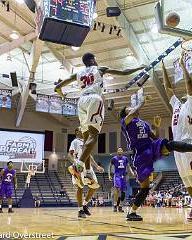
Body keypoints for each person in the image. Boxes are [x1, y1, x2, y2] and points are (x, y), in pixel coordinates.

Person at [54, 53, 144, 187]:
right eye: (95, 59)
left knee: (86, 140)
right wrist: (139, 68)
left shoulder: (78, 74)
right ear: (92, 60)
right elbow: (124, 73)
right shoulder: (100, 69)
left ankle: (88, 172)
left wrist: (61, 93)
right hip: (94, 99)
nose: (96, 61)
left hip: (81, 102)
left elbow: (57, 87)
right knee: (94, 136)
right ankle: (78, 166)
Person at [119, 95, 192, 221]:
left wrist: (156, 126)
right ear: (125, 114)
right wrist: (142, 102)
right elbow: (133, 112)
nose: (132, 109)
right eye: (129, 109)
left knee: (169, 144)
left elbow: (155, 138)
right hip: (140, 153)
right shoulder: (125, 122)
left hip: (150, 146)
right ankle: (132, 212)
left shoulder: (143, 123)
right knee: (145, 188)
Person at [162, 57, 192, 221]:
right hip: (178, 148)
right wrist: (163, 68)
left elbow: (189, 82)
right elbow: (167, 88)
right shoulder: (176, 105)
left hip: (190, 145)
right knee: (185, 179)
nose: (185, 94)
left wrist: (183, 66)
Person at [67, 128, 104, 218]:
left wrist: (96, 166)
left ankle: (84, 204)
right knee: (80, 188)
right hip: (78, 166)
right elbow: (69, 154)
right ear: (76, 132)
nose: (83, 129)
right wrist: (75, 162)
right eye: (80, 128)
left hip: (88, 167)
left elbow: (89, 156)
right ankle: (80, 210)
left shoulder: (87, 141)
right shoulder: (75, 141)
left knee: (95, 186)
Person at [108, 147, 135, 212]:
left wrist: (132, 172)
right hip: (117, 175)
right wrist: (109, 175)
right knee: (117, 190)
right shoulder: (114, 158)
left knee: (123, 192)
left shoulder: (125, 158)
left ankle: (120, 206)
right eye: (119, 150)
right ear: (117, 151)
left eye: (121, 149)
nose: (120, 150)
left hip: (123, 176)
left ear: (122, 151)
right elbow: (109, 166)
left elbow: (128, 167)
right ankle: (115, 205)